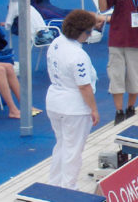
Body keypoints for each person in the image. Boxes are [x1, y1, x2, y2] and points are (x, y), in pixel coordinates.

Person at [45, 10, 100, 190]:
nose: (90, 35)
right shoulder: (78, 56)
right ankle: (68, 189)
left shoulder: (56, 43)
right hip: (74, 107)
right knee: (73, 150)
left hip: (54, 101)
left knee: (61, 145)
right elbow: (83, 86)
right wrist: (93, 109)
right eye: (89, 32)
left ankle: (54, 184)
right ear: (80, 32)